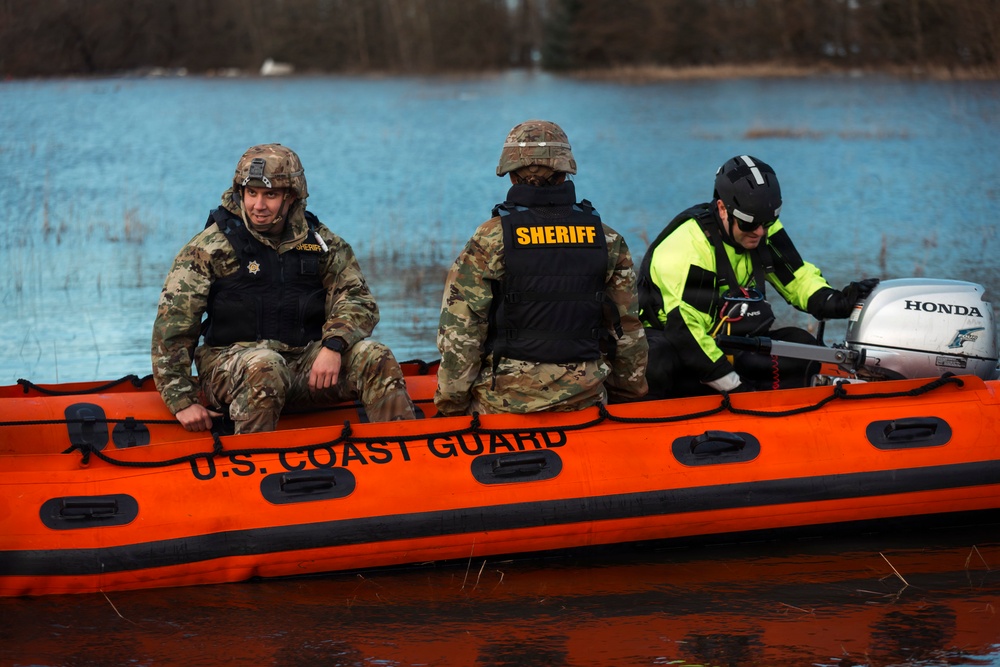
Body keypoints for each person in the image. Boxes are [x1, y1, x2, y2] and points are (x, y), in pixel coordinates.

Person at [152, 143, 416, 433]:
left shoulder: (320, 243)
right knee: (266, 365)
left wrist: (334, 344)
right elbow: (173, 329)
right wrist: (181, 400)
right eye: (251, 193)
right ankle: (250, 464)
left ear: (291, 197)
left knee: (375, 356)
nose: (258, 205)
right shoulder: (208, 248)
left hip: (305, 367)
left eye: (270, 195)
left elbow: (357, 299)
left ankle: (400, 457)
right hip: (231, 368)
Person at [434, 119, 648, 416]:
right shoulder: (607, 238)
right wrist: (629, 396)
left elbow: (461, 331)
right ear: (564, 173)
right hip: (586, 400)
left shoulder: (491, 237)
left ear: (510, 176)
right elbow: (626, 330)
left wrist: (451, 407)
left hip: (504, 406)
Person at [637, 154, 879, 398]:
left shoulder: (758, 223)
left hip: (727, 342)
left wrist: (834, 302)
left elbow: (796, 277)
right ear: (722, 208)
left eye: (769, 221)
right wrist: (736, 388)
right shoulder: (688, 247)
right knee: (658, 359)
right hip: (677, 345)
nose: (760, 232)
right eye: (749, 224)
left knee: (802, 344)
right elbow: (685, 331)